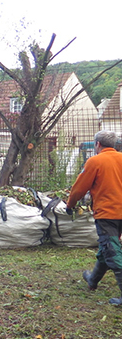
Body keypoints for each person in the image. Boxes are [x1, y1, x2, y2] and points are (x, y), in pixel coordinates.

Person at [66, 130, 122, 305]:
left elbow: (79, 188)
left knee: (112, 252)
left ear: (97, 144)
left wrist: (70, 205)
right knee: (107, 247)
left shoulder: (95, 161)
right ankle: (92, 279)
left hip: (107, 214)